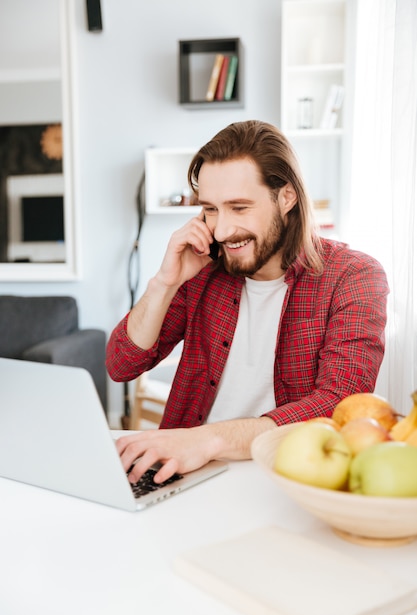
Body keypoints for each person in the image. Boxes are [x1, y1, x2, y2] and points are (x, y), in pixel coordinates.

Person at [106, 120, 389, 485]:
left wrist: (208, 439)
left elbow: (340, 401)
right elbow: (121, 365)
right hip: (183, 477)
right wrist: (165, 282)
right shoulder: (201, 270)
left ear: (286, 197)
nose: (222, 231)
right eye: (210, 209)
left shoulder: (354, 276)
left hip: (285, 478)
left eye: (239, 208)